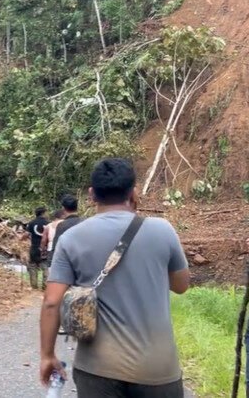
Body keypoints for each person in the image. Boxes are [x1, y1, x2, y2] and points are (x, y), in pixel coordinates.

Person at [40, 158, 190, 397]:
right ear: (133, 193)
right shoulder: (163, 230)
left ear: (92, 195)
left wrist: (47, 355)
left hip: (97, 369)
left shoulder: (72, 238)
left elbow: (51, 301)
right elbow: (181, 286)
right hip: (158, 369)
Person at [48, 194, 81, 258]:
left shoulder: (62, 225)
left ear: (63, 208)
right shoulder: (86, 222)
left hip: (69, 260)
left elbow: (56, 247)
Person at [25, 206, 49, 290]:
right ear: (43, 213)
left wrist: (20, 238)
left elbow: (26, 235)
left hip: (34, 247)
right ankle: (45, 286)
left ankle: (34, 286)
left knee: (32, 266)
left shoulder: (31, 223)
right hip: (45, 248)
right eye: (46, 212)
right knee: (45, 266)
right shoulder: (48, 223)